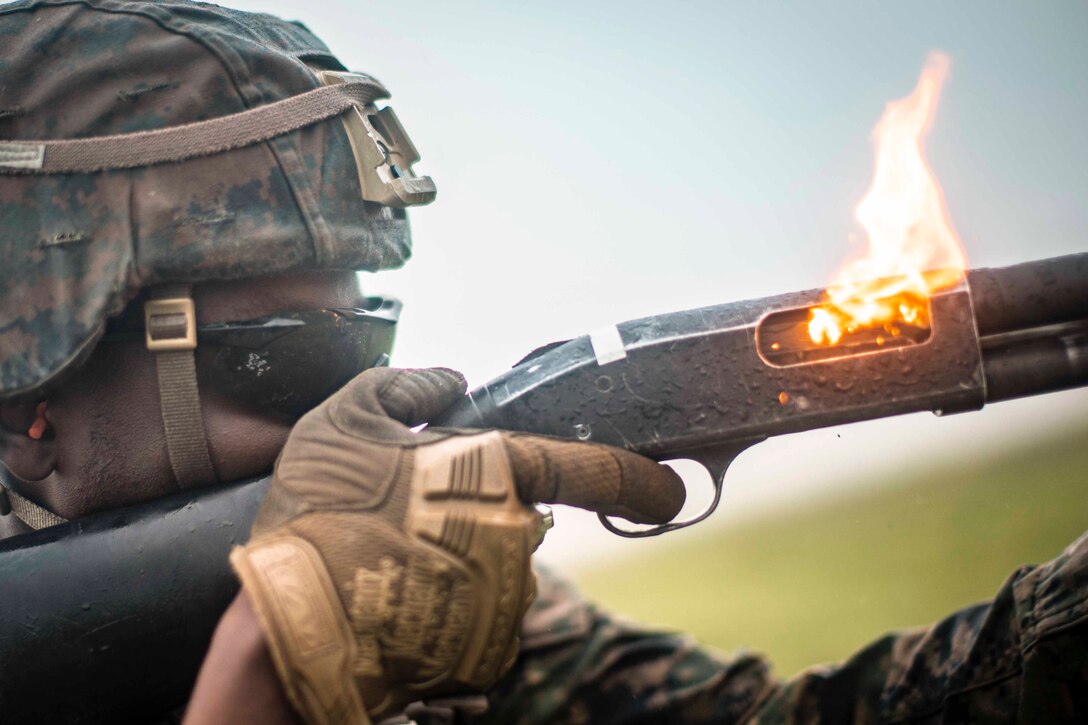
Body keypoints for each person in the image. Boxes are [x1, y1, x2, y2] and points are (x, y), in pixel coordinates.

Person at [1, 2, 1085, 723]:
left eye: (362, 336)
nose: (348, 413)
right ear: (27, 403)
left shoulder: (406, 583)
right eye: (286, 356)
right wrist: (272, 673)